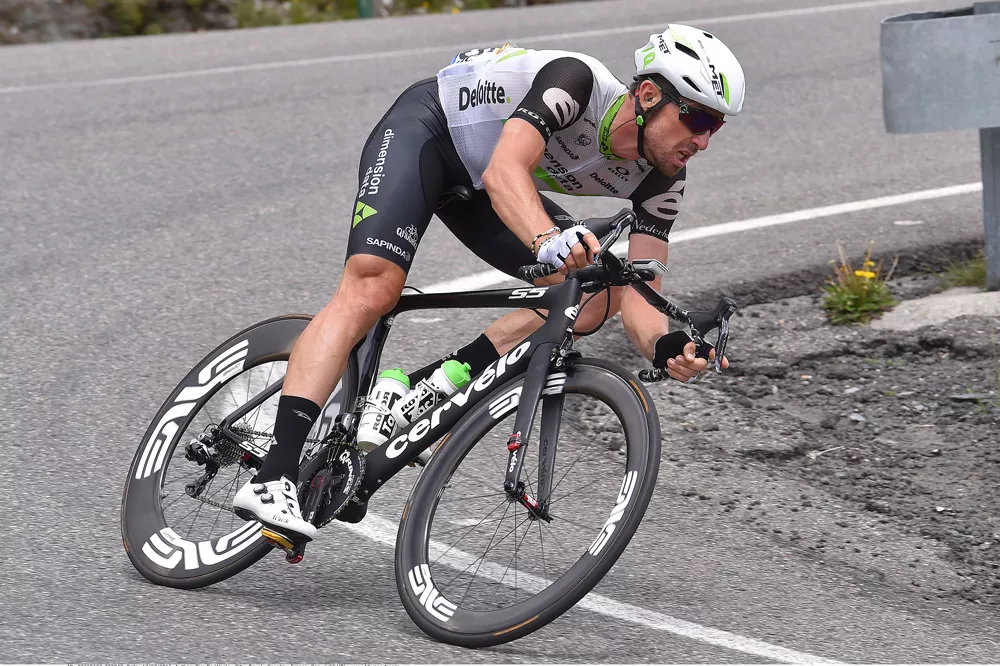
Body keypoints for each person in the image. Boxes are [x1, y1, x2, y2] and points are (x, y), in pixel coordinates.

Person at [234, 24, 746, 542]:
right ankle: (273, 475)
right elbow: (505, 170)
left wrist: (665, 346)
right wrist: (547, 238)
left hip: (481, 186)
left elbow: (641, 288)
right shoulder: (577, 82)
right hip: (429, 134)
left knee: (598, 295)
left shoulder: (664, 179)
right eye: (697, 118)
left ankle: (428, 386)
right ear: (649, 95)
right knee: (373, 289)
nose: (703, 141)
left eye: (716, 127)